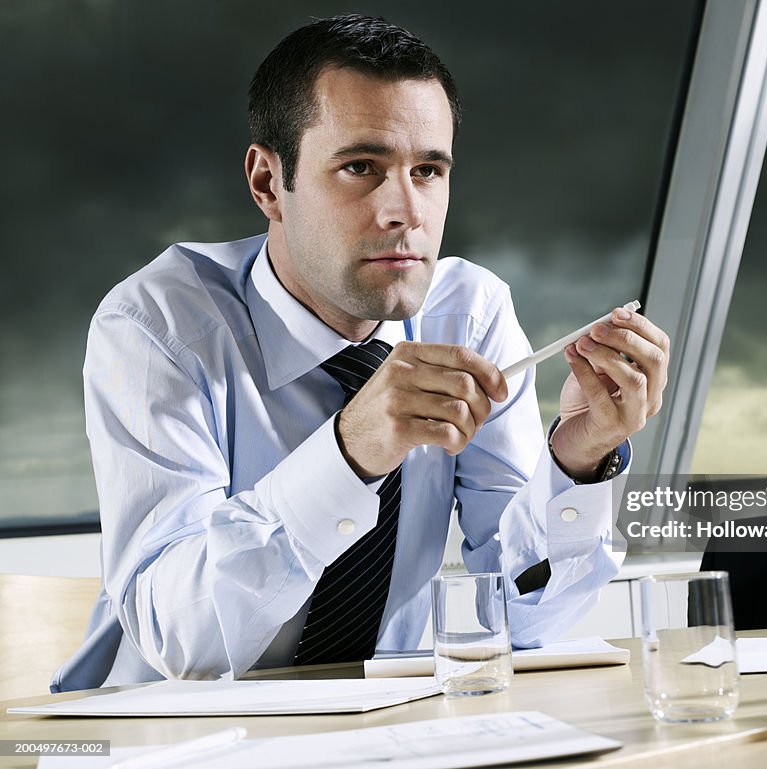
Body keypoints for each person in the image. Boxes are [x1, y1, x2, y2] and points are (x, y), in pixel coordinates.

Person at [52, 14, 670, 692]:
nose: (405, 210)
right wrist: (348, 453)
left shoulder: (470, 313)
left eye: (429, 170)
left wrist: (577, 460)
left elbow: (526, 622)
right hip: (161, 738)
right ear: (266, 183)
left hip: (378, 727)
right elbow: (184, 640)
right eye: (359, 167)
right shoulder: (156, 326)